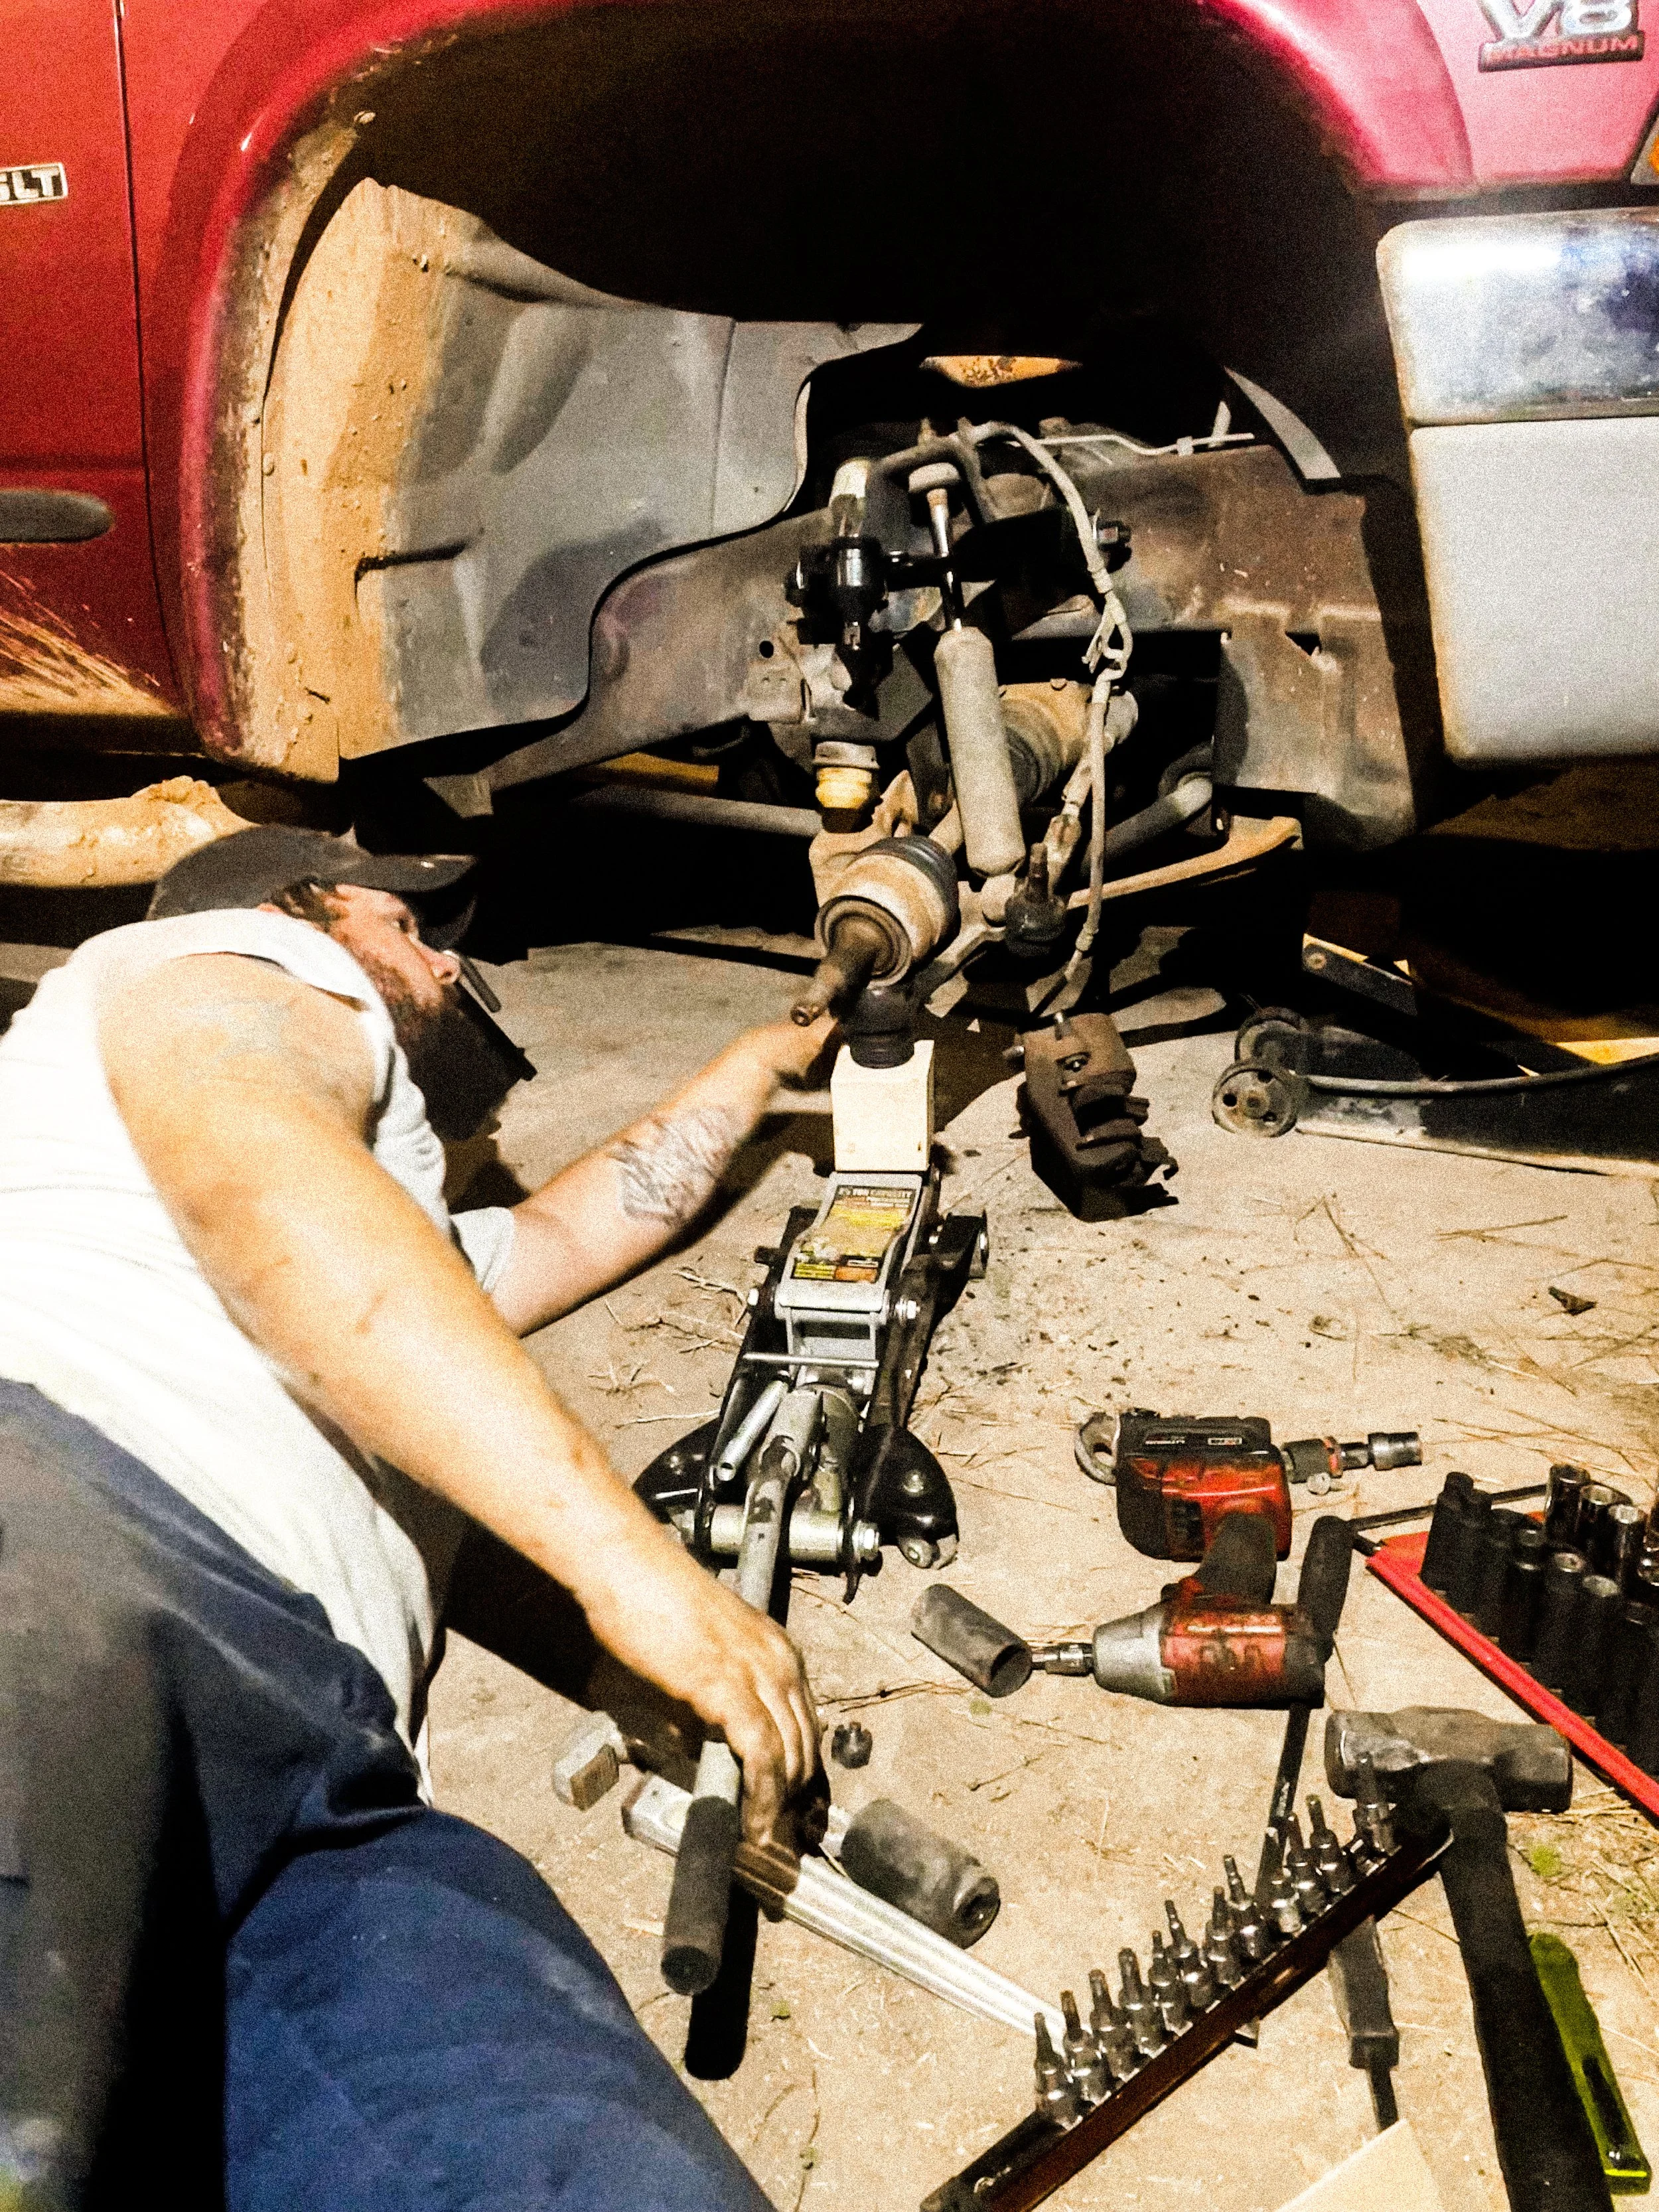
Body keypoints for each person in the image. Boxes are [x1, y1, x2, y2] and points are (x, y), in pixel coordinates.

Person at [0, 826, 831, 2209]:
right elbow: (252, 1169)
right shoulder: (213, 961)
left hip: (322, 1765)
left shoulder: (392, 1260)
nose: (451, 960)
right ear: (308, 911)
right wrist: (630, 1567)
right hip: (65, 1551)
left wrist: (764, 1056)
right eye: (414, 924)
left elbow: (593, 1219)